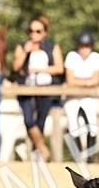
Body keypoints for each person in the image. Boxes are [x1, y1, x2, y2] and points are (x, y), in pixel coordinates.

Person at [12, 16, 65, 162]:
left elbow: (59, 68)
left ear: (44, 33)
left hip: (46, 88)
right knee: (29, 120)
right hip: (26, 88)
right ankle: (42, 149)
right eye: (31, 31)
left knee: (40, 122)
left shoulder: (52, 46)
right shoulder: (22, 46)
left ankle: (37, 156)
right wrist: (25, 52)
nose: (34, 34)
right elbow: (16, 67)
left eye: (38, 31)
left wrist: (40, 69)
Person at [63, 30, 99, 160]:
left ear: (91, 46)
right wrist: (88, 82)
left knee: (92, 125)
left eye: (87, 46)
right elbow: (70, 80)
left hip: (88, 96)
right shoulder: (71, 56)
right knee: (72, 123)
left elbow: (97, 80)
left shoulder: (96, 57)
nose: (84, 49)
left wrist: (78, 82)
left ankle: (90, 156)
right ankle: (78, 155)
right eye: (82, 45)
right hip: (72, 96)